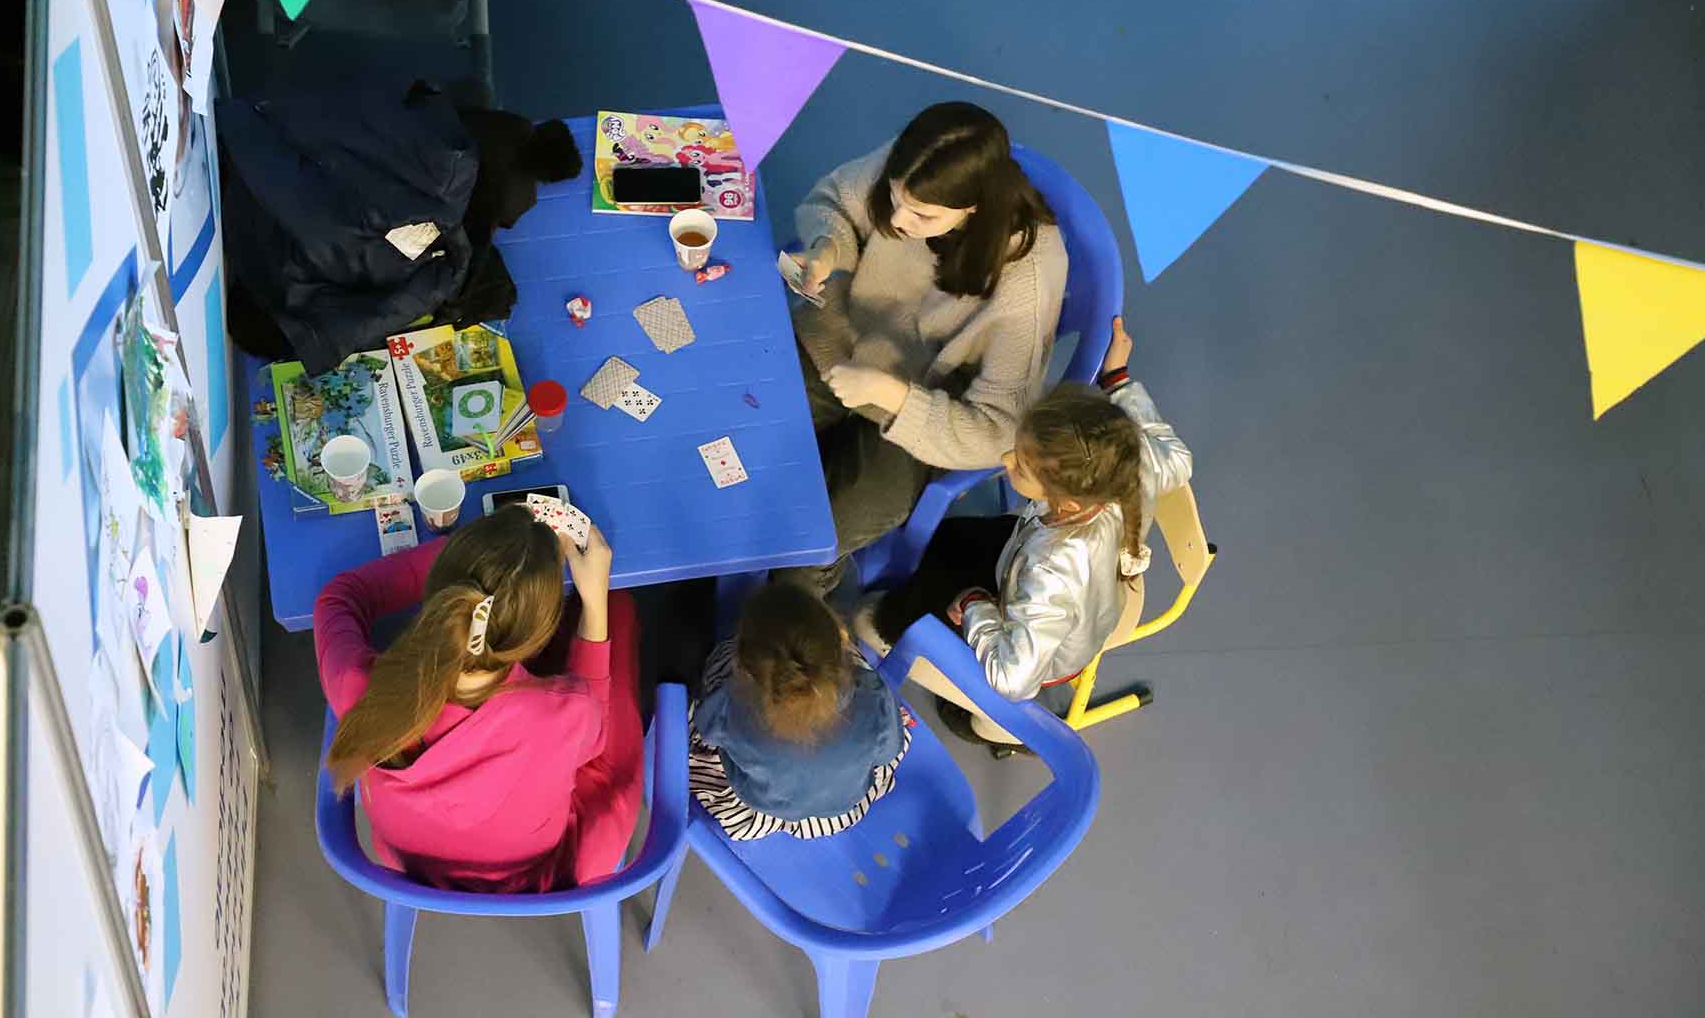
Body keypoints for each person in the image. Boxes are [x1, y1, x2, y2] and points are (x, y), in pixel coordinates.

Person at [857, 316, 1193, 744]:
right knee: (944, 543)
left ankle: (994, 731)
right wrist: (1118, 378)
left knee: (872, 620)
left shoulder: (1052, 571)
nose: (1005, 459)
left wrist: (979, 607)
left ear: (1065, 500)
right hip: (1068, 577)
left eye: (1020, 465)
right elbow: (1179, 458)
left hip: (1044, 645)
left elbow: (1013, 679)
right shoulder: (1128, 464)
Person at [785, 101, 1069, 597]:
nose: (897, 220)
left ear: (973, 208)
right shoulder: (909, 171)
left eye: (922, 214)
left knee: (812, 543)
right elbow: (832, 199)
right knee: (740, 438)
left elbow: (999, 430)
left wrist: (893, 395)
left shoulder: (1027, 278)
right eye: (895, 198)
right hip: (840, 339)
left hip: (926, 411)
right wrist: (828, 249)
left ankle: (787, 608)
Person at [314, 505, 643, 892]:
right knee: (620, 611)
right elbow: (593, 741)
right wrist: (594, 603)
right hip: (540, 872)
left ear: (439, 594)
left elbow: (337, 597)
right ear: (537, 636)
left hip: (411, 862)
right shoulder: (564, 711)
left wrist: (468, 559)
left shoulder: (358, 687)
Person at [689, 581, 911, 840]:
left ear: (744, 665)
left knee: (708, 697)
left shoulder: (727, 704)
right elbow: (888, 753)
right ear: (840, 637)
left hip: (767, 807)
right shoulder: (872, 694)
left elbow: (705, 729)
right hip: (843, 805)